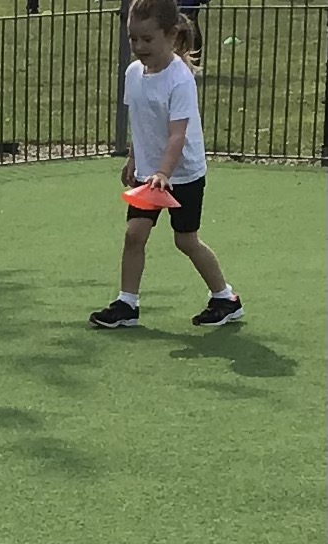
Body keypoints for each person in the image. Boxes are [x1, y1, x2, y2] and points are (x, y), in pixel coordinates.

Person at [91, 0, 240, 330]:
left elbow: (177, 135)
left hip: (182, 175)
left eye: (147, 39)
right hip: (149, 175)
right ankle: (127, 304)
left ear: (171, 35)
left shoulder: (180, 79)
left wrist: (163, 173)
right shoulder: (133, 73)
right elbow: (141, 122)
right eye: (133, 39)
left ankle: (225, 298)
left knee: (185, 240)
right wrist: (135, 160)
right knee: (134, 235)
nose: (139, 46)